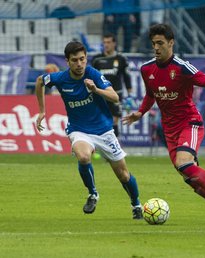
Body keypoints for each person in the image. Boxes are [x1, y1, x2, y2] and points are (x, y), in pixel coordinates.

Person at [122, 24, 205, 224]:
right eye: (154, 44)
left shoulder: (182, 67)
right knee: (192, 180)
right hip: (170, 131)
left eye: (160, 43)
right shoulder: (147, 69)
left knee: (184, 163)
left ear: (171, 43)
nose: (156, 48)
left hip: (190, 123)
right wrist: (140, 113)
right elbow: (151, 94)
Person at [35, 41, 143, 219]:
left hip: (104, 130)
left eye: (82, 59)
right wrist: (41, 111)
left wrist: (96, 89)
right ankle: (93, 193)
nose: (79, 64)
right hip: (79, 129)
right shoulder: (60, 78)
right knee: (84, 156)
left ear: (86, 59)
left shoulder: (93, 74)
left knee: (123, 175)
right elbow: (40, 81)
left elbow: (115, 97)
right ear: (67, 61)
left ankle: (136, 204)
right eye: (75, 60)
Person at [92, 33, 133, 137]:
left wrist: (130, 95)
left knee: (114, 121)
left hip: (116, 95)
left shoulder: (121, 59)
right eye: (104, 42)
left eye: (109, 42)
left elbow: (126, 77)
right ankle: (99, 148)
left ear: (114, 43)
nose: (106, 45)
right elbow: (90, 77)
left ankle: (114, 148)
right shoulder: (96, 59)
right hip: (100, 95)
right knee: (100, 122)